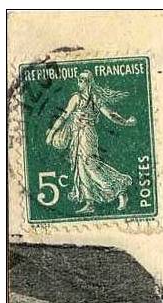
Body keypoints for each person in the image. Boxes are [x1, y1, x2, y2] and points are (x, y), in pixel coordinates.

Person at [45, 70, 136, 214]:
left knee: (90, 165)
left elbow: (110, 114)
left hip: (88, 135)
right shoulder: (75, 98)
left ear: (89, 82)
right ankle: (90, 202)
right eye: (79, 79)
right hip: (76, 135)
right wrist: (51, 133)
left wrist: (125, 122)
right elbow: (64, 116)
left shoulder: (95, 98)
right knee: (80, 168)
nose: (80, 82)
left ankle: (119, 190)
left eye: (83, 79)